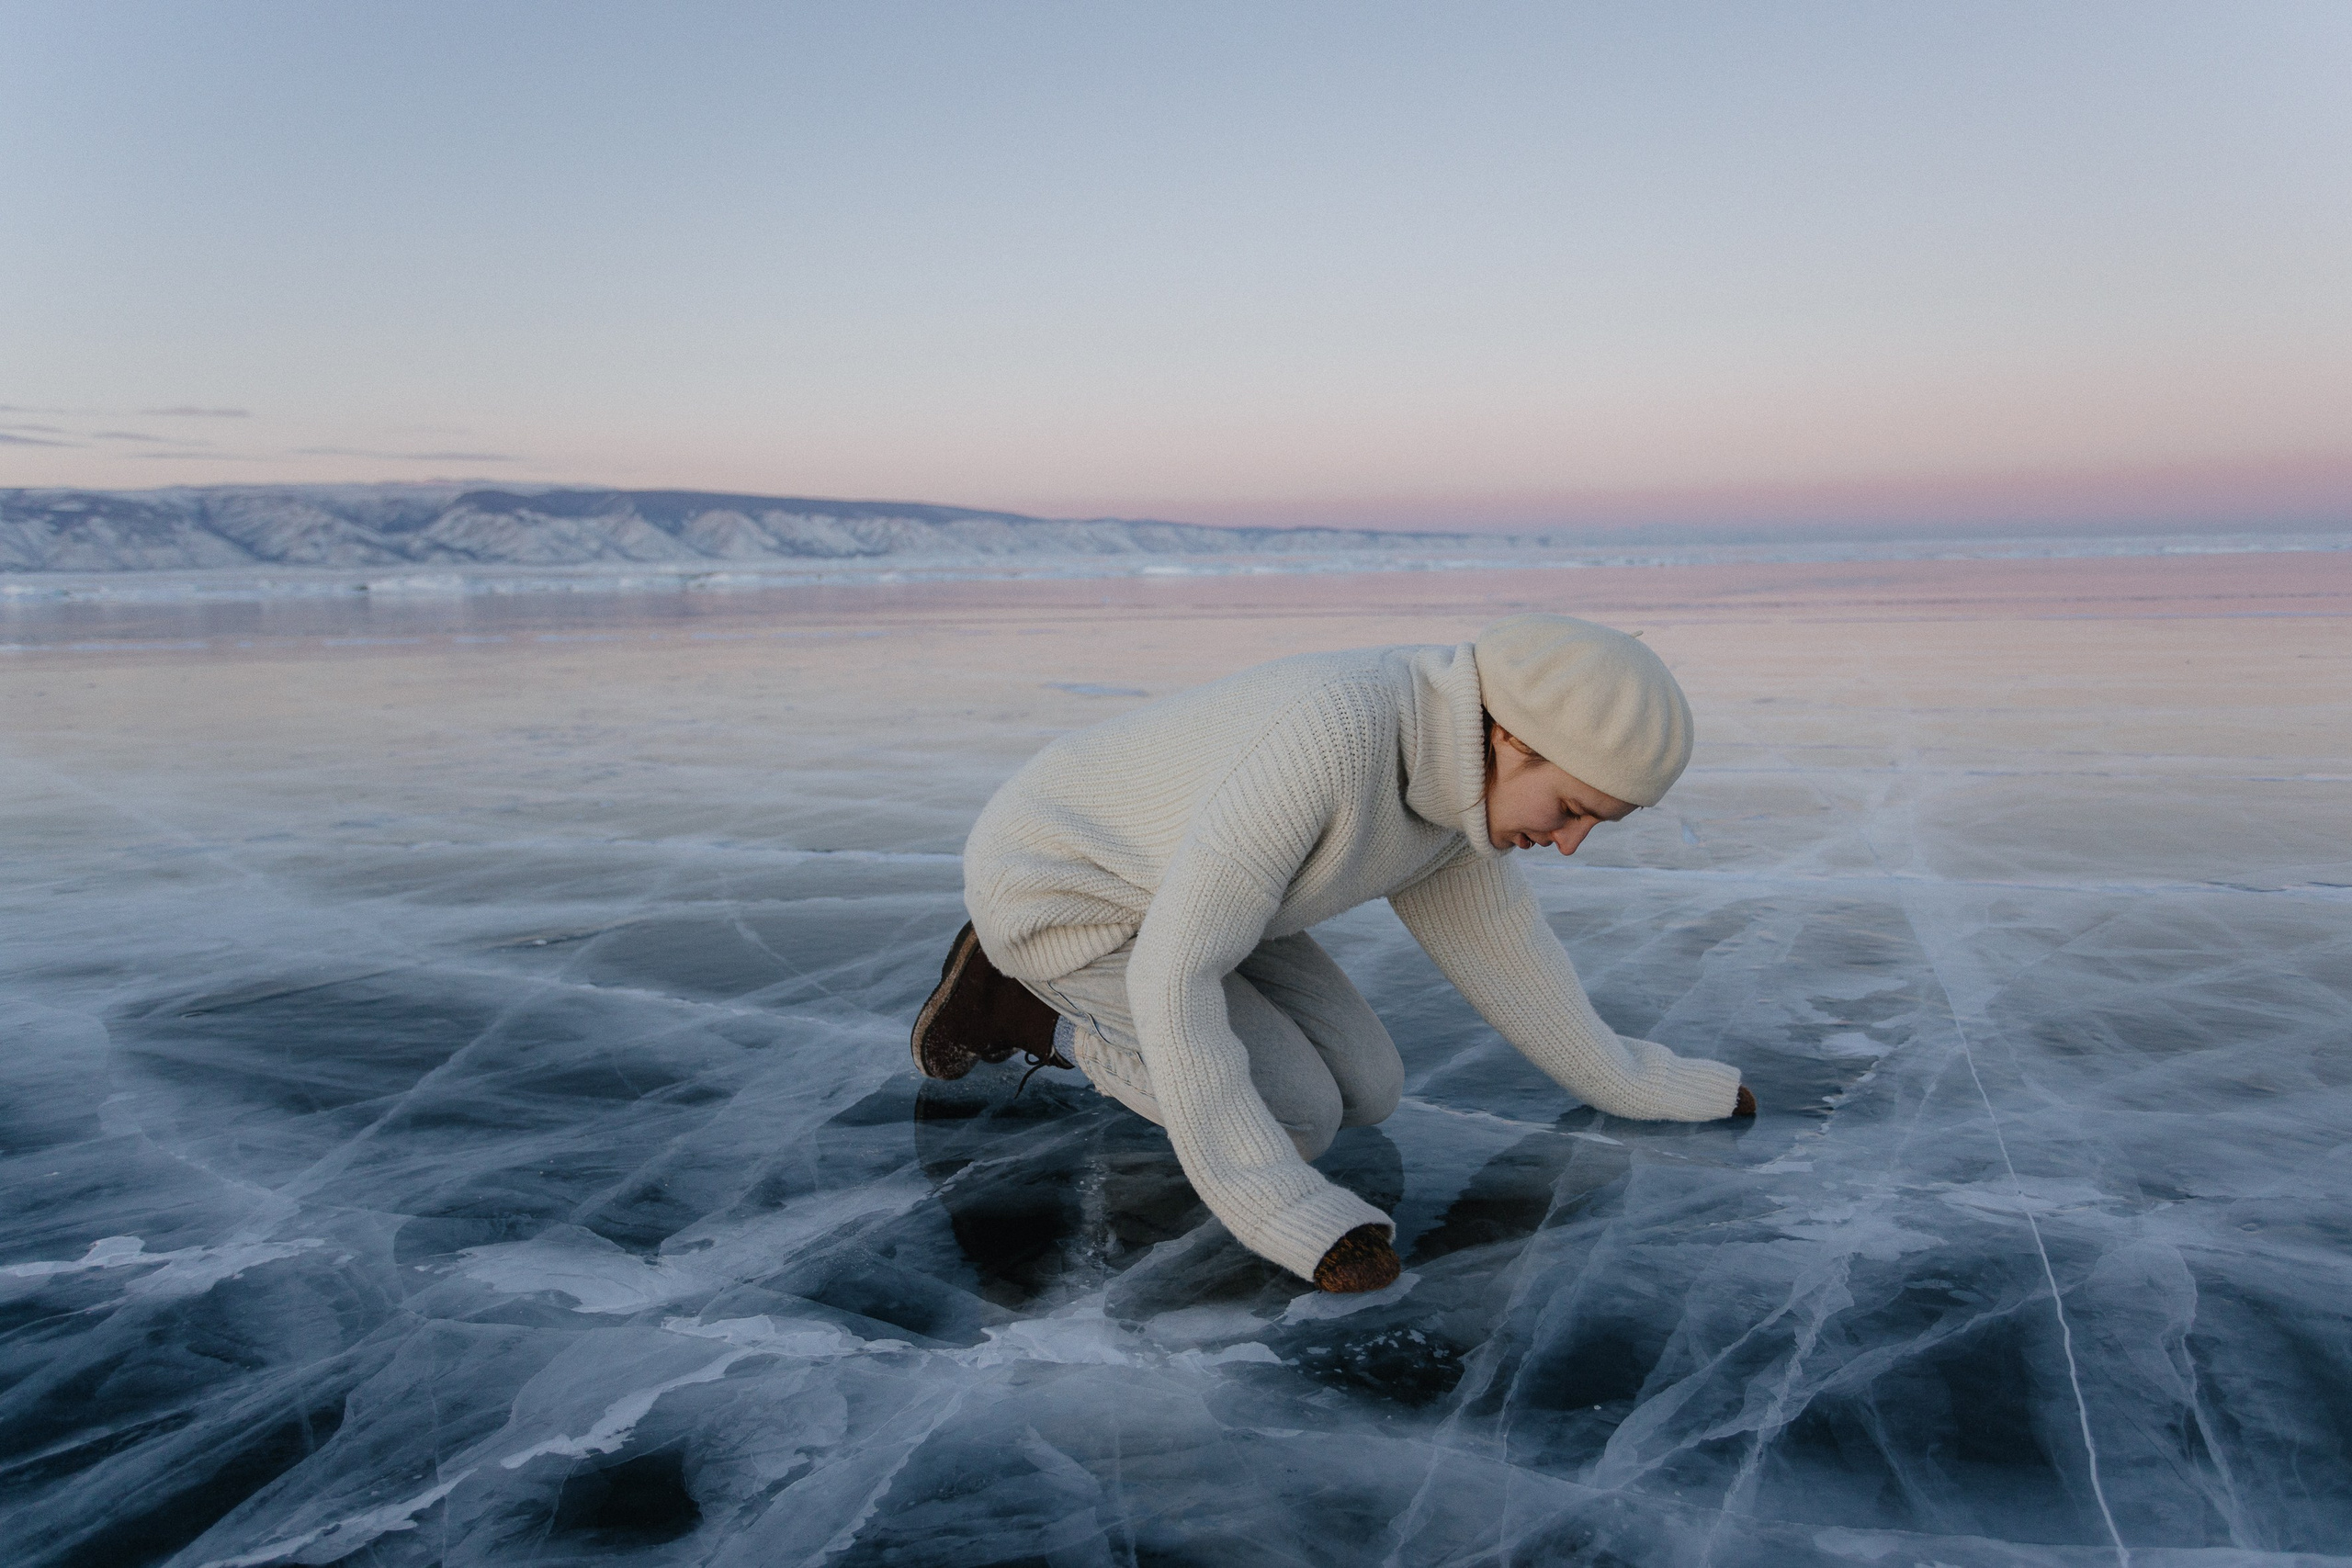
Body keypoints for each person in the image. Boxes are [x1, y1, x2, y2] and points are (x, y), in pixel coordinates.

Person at [910, 614, 1753, 1293]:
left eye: (1595, 824)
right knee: (1300, 1118)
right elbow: (1174, 975)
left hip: (1192, 898)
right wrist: (1282, 1207)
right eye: (1571, 809)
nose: (1569, 844)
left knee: (1371, 1088)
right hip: (1066, 893)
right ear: (1513, 740)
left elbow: (1512, 958)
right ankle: (1025, 1002)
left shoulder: (1460, 794)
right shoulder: (1335, 739)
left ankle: (1079, 988)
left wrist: (1638, 1081)